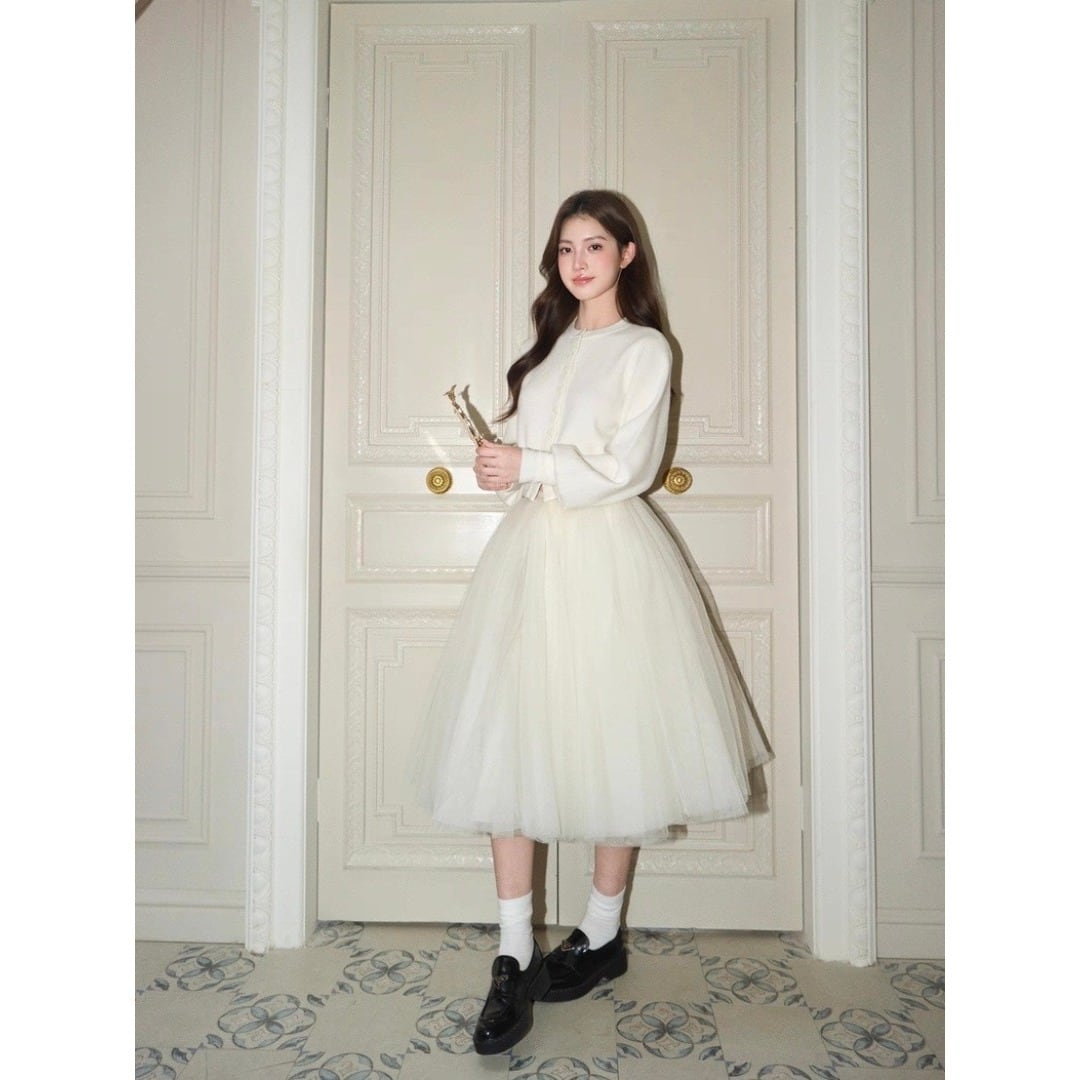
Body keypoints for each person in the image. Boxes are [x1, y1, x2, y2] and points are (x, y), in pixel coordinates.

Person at [412, 190, 772, 1056]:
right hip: (529, 557)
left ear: (627, 255)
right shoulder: (546, 351)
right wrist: (504, 467)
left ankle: (601, 932)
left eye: (595, 246)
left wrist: (531, 459)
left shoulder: (646, 348)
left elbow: (629, 467)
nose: (578, 262)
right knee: (507, 739)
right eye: (566, 249)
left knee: (619, 735)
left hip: (610, 558)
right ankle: (512, 954)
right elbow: (541, 462)